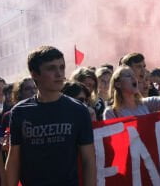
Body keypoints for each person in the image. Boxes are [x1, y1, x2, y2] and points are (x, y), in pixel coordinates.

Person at [5, 46, 95, 186]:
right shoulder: (19, 112)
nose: (59, 74)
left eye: (62, 67)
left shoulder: (78, 110)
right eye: (51, 68)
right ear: (34, 73)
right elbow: (14, 159)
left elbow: (88, 160)